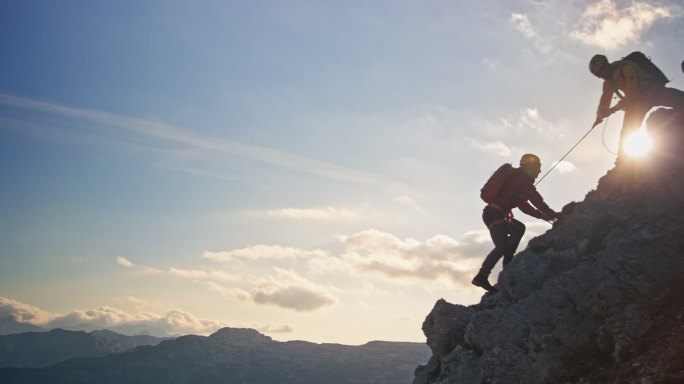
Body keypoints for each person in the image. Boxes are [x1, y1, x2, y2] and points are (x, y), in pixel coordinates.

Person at [471, 154, 561, 292]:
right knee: (502, 246)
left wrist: (542, 216)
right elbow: (536, 200)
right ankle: (481, 276)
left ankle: (507, 263)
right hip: (494, 214)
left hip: (494, 214)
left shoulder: (518, 180)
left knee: (518, 228)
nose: (539, 171)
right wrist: (553, 214)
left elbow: (522, 205)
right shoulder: (523, 180)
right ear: (530, 166)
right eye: (537, 167)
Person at [589, 54, 684, 158]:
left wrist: (613, 110)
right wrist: (599, 117)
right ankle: (622, 160)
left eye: (601, 71)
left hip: (651, 91)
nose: (601, 76)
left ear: (606, 64)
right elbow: (605, 99)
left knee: (680, 99)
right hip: (637, 102)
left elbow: (633, 93)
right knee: (627, 132)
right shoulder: (608, 83)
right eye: (598, 75)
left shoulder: (626, 68)